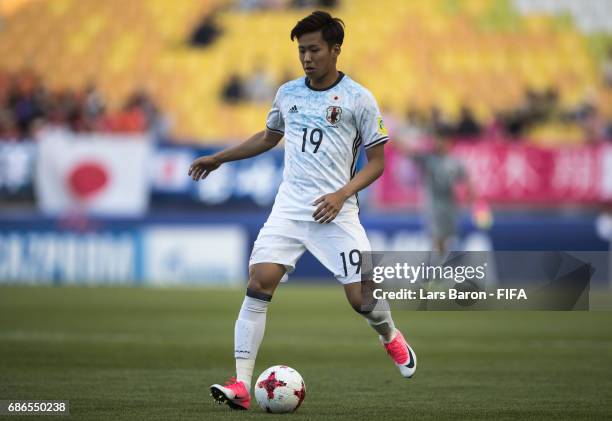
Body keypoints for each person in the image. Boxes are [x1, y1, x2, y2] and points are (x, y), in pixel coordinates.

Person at [189, 11, 416, 411]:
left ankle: (390, 336)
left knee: (362, 300)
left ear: (335, 50)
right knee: (259, 282)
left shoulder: (359, 99)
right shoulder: (287, 93)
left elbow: (378, 163)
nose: (306, 58)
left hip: (337, 213)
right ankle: (241, 385)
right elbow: (267, 137)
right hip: (289, 209)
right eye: (301, 51)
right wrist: (219, 158)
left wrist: (342, 195)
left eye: (314, 49)